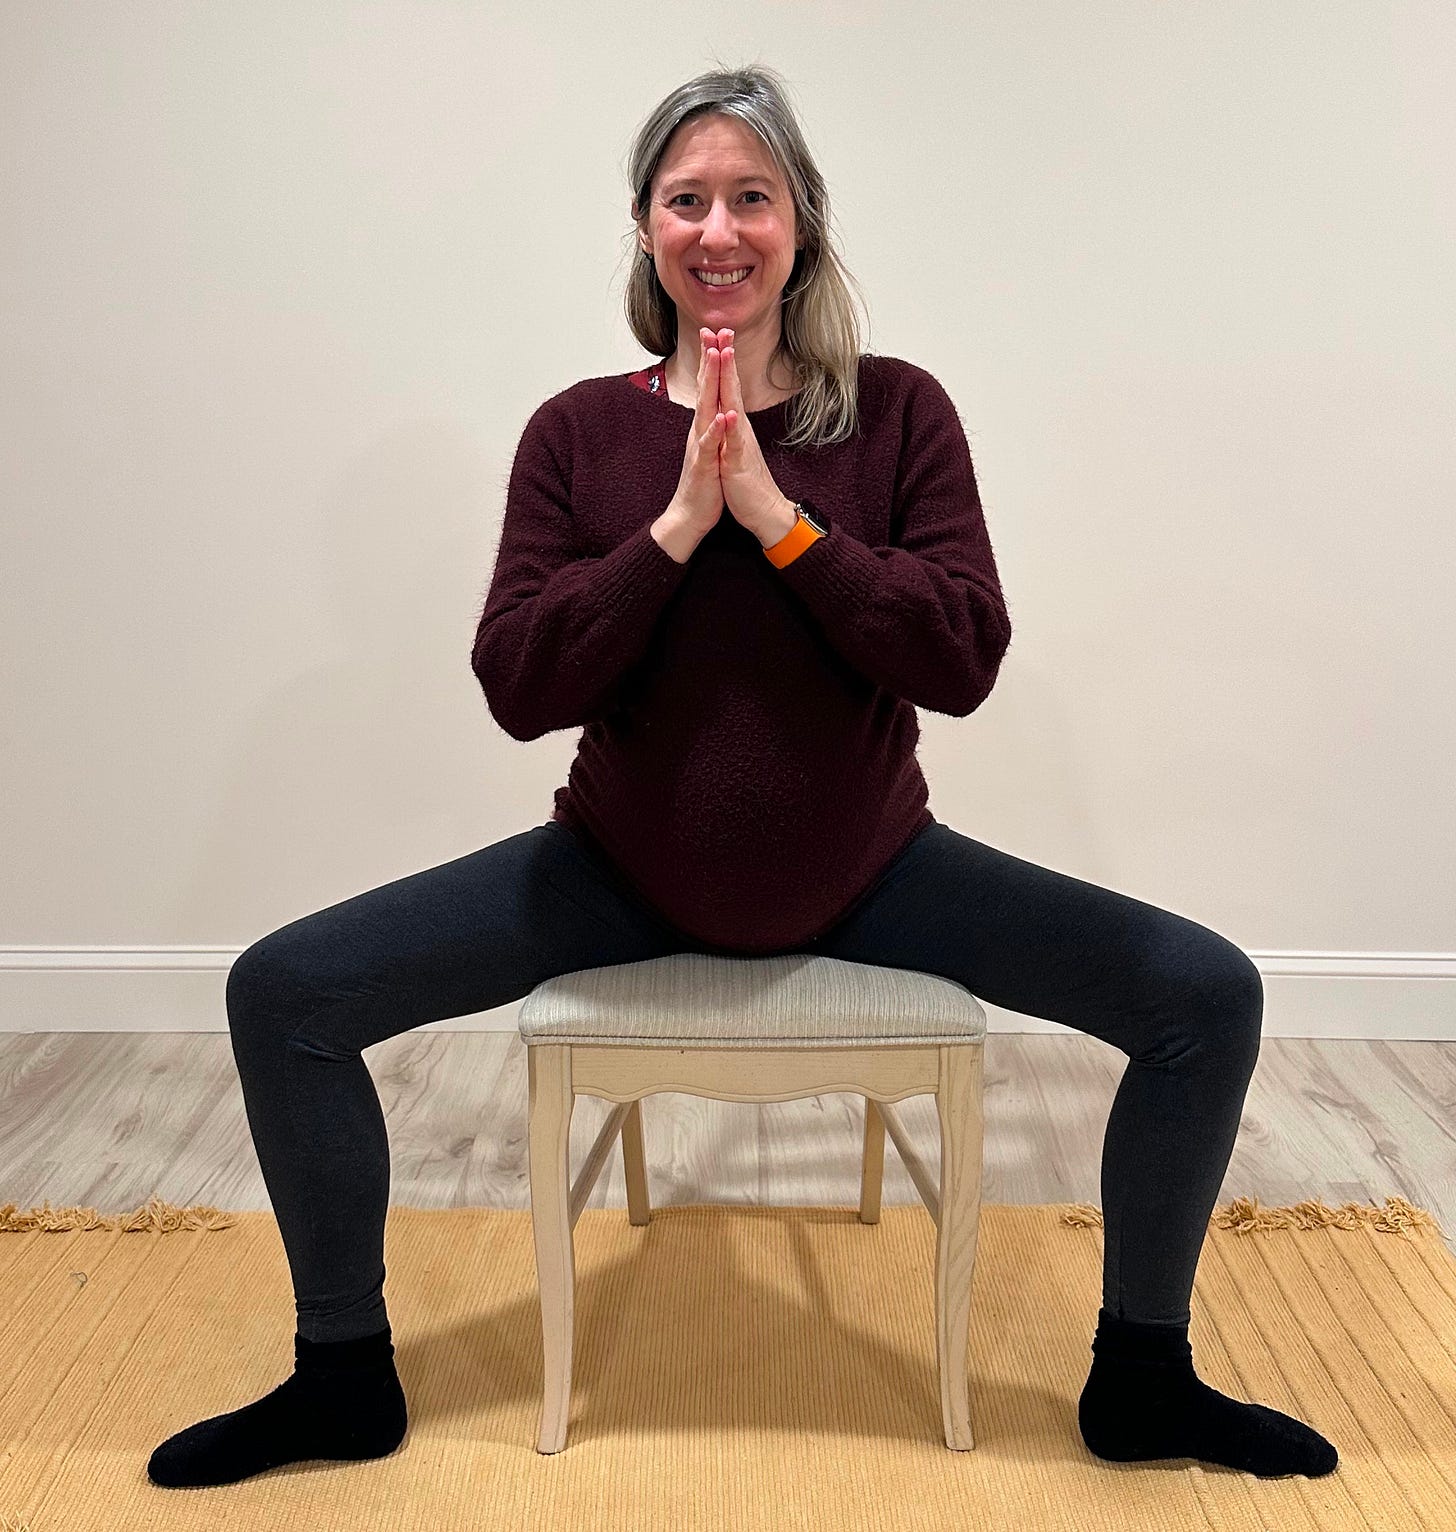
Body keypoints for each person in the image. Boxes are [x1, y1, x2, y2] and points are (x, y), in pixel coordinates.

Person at [147, 64, 1338, 1488]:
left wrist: (779, 523)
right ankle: (341, 1376)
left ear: (801, 225)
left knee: (1206, 995)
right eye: (686, 198)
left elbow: (961, 655)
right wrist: (668, 532)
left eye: (751, 197)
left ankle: (1143, 1376)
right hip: (614, 875)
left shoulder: (894, 415)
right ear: (647, 231)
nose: (719, 228)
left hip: (873, 876)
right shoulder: (578, 435)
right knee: (283, 993)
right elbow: (519, 684)